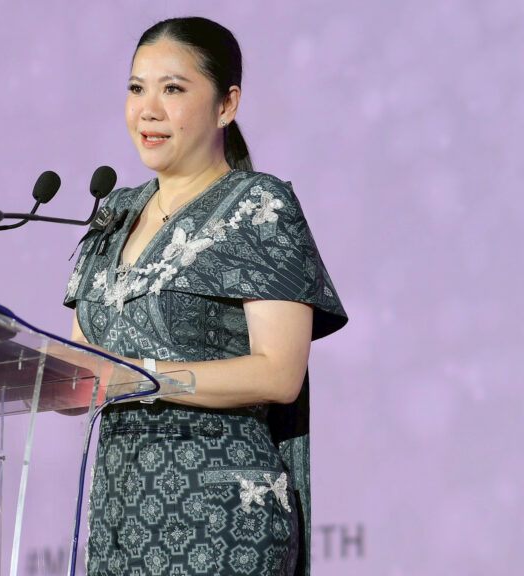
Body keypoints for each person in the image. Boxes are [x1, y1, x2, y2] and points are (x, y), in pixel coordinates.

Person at [63, 17, 348, 576]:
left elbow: (279, 374)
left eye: (172, 89)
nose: (148, 109)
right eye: (137, 88)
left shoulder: (258, 206)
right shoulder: (114, 212)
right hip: (121, 513)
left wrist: (144, 376)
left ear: (226, 105)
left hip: (222, 515)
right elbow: (82, 365)